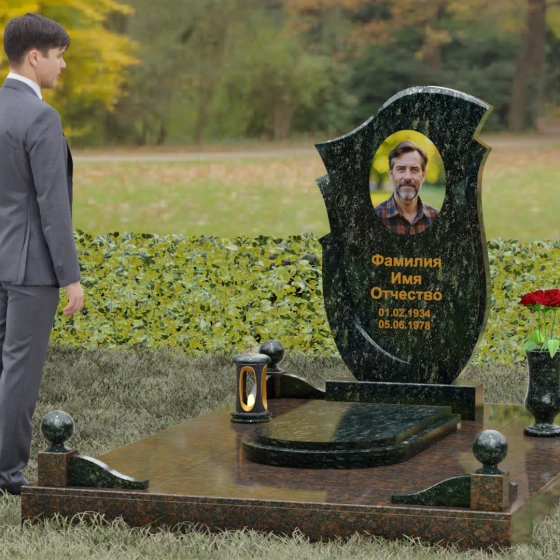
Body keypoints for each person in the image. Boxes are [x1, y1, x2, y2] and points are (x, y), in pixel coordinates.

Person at [0, 13, 84, 496]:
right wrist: (69, 276)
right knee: (20, 373)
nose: (63, 65)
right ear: (35, 57)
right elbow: (54, 204)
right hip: (31, 268)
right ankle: (7, 474)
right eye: (59, 55)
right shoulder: (41, 116)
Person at [375, 140, 439, 235]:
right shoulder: (374, 216)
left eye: (414, 169)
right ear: (390, 174)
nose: (408, 177)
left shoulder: (436, 217)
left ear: (423, 176)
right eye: (401, 169)